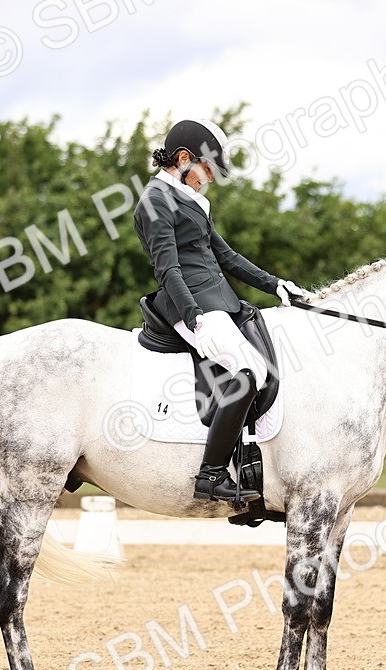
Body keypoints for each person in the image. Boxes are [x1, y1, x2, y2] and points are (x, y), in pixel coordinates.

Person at [133, 119, 310, 503]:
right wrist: (193, 315)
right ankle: (211, 474)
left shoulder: (188, 199)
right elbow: (168, 269)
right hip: (189, 306)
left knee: (260, 366)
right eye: (207, 170)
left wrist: (276, 285)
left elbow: (224, 256)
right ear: (184, 158)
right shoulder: (155, 202)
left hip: (217, 301)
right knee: (250, 371)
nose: (208, 179)